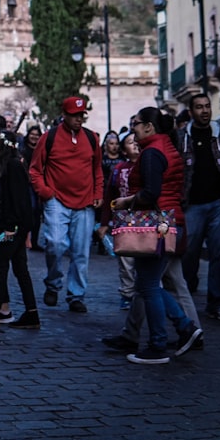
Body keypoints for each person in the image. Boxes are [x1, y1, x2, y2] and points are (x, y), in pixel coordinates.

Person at [110, 107, 203, 364]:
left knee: (149, 286)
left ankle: (158, 345)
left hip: (158, 223)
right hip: (168, 221)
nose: (134, 130)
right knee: (149, 284)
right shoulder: (165, 146)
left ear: (149, 126)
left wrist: (126, 201)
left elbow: (151, 192)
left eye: (136, 124)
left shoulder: (152, 152)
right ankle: (185, 328)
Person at [29, 96, 103, 313]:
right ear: (65, 115)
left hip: (85, 202)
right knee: (55, 244)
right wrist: (46, 193)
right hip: (56, 200)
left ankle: (76, 295)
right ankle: (53, 283)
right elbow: (35, 169)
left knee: (81, 252)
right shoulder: (49, 137)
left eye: (82, 115)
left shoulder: (91, 138)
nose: (79, 119)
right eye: (75, 115)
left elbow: (97, 169)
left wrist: (98, 193)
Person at [179, 93, 220, 322]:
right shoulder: (183, 136)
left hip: (218, 204)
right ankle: (183, 302)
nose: (205, 111)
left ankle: (218, 303)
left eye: (207, 106)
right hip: (192, 205)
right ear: (191, 111)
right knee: (188, 255)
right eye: (199, 107)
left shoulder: (219, 134)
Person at [0, 130, 39, 328]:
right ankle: (31, 313)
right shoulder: (8, 165)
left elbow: (20, 201)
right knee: (20, 268)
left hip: (12, 228)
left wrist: (13, 228)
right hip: (15, 226)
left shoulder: (13, 166)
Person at [98, 132, 141, 311]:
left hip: (146, 218)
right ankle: (127, 293)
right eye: (130, 142)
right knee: (126, 261)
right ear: (124, 149)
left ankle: (147, 292)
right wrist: (105, 222)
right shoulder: (119, 169)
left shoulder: (148, 164)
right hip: (123, 219)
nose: (135, 145)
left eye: (136, 141)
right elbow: (110, 196)